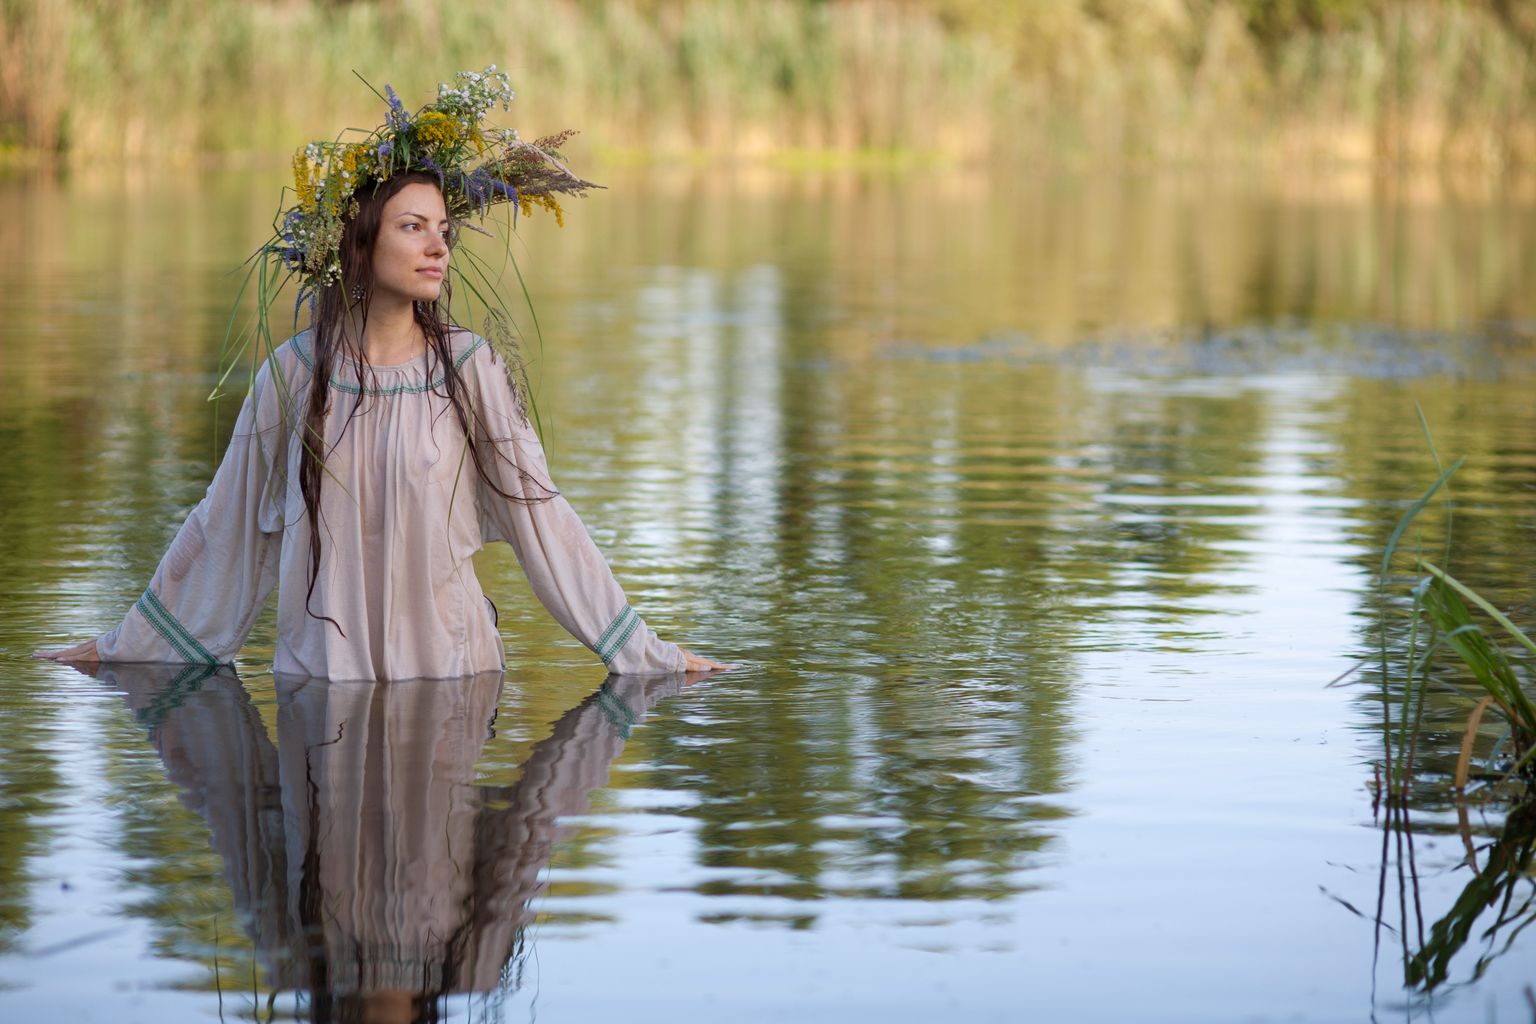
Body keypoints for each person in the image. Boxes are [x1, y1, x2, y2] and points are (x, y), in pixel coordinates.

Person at [34, 68, 729, 681]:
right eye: (412, 227)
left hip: (452, 681)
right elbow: (225, 524)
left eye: (443, 231)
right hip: (321, 683)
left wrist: (642, 649)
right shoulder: (294, 373)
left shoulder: (468, 367)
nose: (437, 245)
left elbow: (541, 517)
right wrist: (120, 645)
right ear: (359, 246)